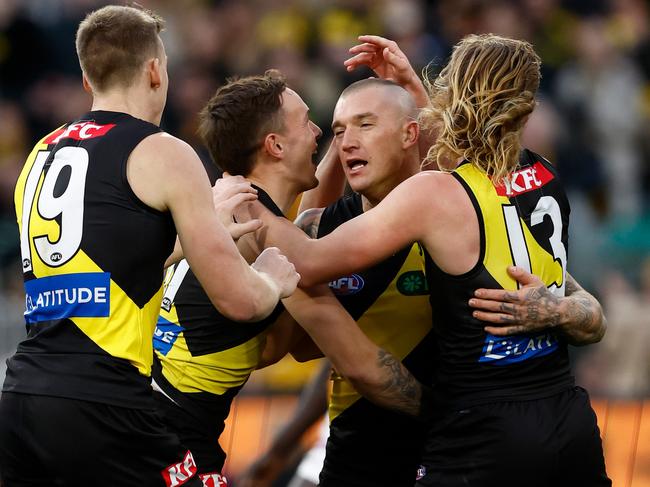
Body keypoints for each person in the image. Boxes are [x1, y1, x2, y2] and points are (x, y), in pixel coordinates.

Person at [247, 34, 610, 486]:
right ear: (528, 108)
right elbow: (590, 317)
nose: (347, 142)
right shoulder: (543, 175)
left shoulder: (433, 195)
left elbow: (308, 261)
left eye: (365, 125)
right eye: (340, 130)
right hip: (566, 413)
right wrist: (565, 308)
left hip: (481, 426)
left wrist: (245, 197)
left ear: (451, 98)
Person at [0, 6, 299, 487]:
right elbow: (239, 300)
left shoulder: (40, 152)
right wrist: (272, 279)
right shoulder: (163, 150)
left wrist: (191, 241)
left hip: (22, 399)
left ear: (86, 79)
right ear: (156, 71)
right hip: (106, 405)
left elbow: (103, 266)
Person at [151, 71, 430, 484]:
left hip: (165, 420)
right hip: (169, 431)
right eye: (307, 121)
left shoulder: (235, 206)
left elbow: (280, 347)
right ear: (275, 145)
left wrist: (346, 135)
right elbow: (364, 367)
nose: (321, 132)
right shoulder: (259, 228)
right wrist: (462, 416)